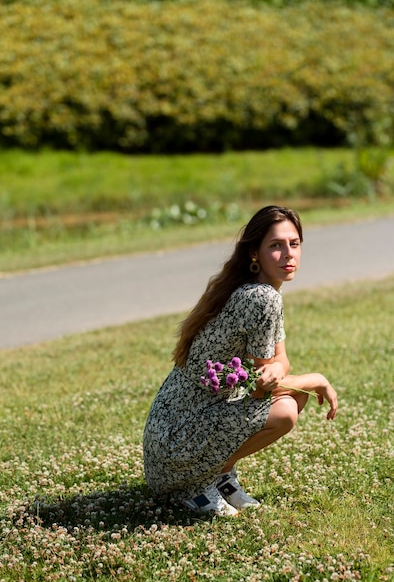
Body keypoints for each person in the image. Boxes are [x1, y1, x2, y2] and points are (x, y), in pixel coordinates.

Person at [143, 205, 338, 516]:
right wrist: (315, 379)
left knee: (291, 398)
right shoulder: (261, 298)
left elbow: (278, 363)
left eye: (294, 244)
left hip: (169, 440)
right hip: (176, 448)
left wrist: (275, 369)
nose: (288, 254)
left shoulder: (261, 291)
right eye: (276, 245)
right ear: (254, 253)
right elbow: (263, 389)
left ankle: (218, 474)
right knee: (288, 408)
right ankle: (195, 487)